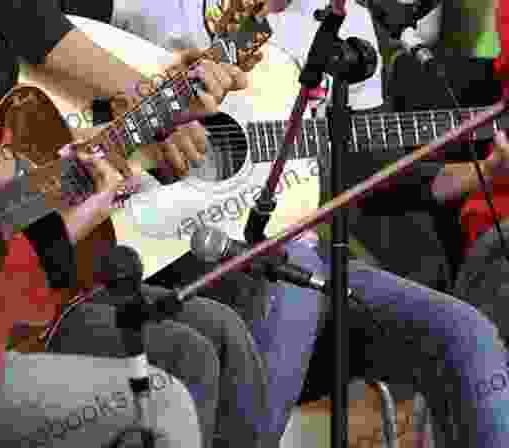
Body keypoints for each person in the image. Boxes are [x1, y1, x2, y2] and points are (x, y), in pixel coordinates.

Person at [65, 0, 509, 446]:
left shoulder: (350, 23)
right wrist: (142, 112)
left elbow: (362, 171)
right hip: (167, 247)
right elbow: (44, 37)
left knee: (464, 335)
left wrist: (476, 176)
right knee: (295, 265)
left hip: (294, 265)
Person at [0, 1, 273, 448]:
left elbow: (35, 25)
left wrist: (154, 103)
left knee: (224, 331)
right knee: (187, 356)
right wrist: (8, 171)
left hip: (24, 248)